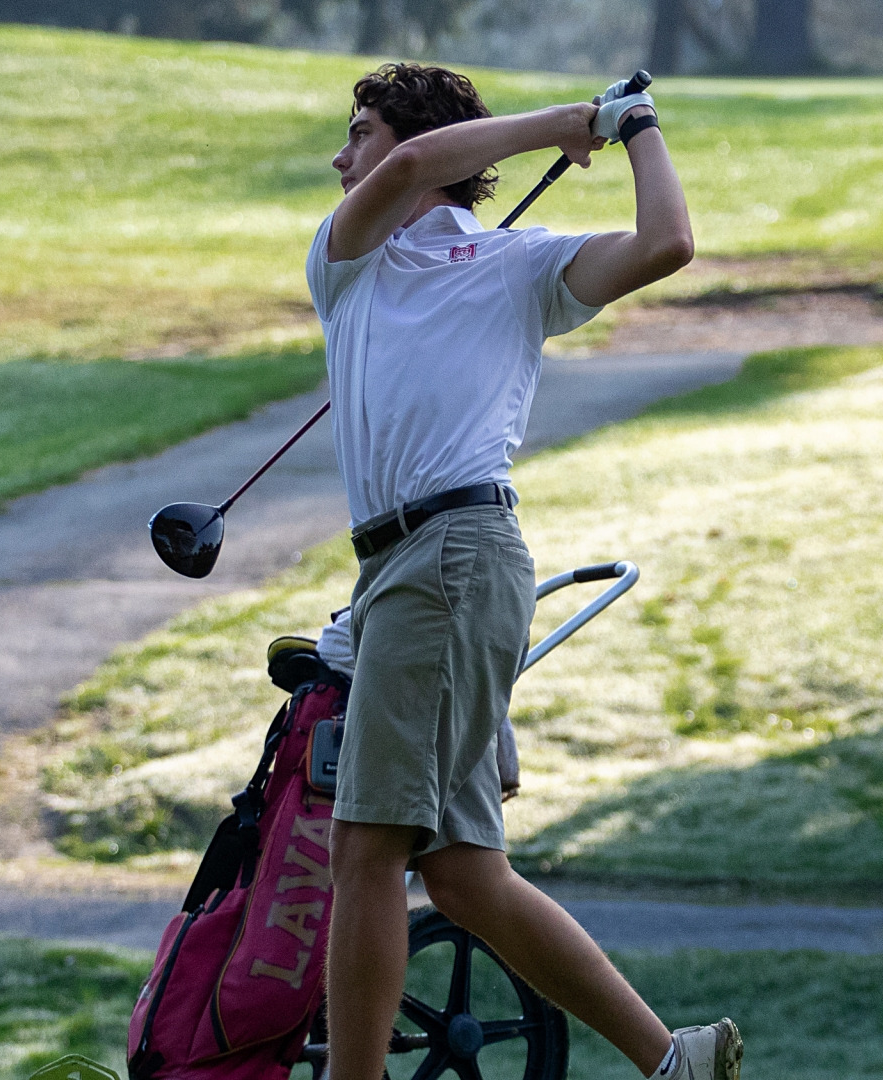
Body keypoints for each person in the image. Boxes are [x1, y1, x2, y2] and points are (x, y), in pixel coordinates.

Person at [307, 64, 740, 1080]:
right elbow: (414, 164)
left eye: (357, 131)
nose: (342, 154)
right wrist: (572, 123)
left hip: (455, 557)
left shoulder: (523, 267)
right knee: (459, 875)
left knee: (366, 851)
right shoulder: (350, 256)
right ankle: (670, 1058)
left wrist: (634, 129)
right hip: (405, 572)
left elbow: (666, 242)